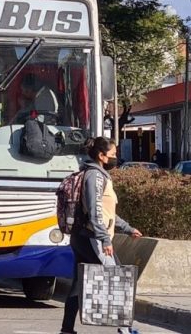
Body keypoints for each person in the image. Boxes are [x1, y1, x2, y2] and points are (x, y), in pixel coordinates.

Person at [60, 137, 143, 334]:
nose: (116, 158)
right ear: (101, 156)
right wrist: (105, 239)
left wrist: (127, 228)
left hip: (83, 237)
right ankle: (125, 328)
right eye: (113, 154)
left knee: (78, 285)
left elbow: (106, 212)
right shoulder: (95, 176)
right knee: (117, 278)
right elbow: (94, 211)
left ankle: (66, 329)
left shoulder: (96, 174)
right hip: (92, 239)